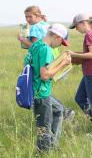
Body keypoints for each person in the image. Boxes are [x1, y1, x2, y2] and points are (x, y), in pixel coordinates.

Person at [27, 23, 71, 152]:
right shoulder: (46, 49)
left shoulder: (36, 45)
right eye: (61, 42)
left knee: (59, 109)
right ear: (57, 37)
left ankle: (53, 145)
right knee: (44, 129)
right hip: (41, 93)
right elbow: (45, 75)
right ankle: (44, 152)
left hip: (34, 90)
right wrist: (62, 63)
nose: (59, 45)